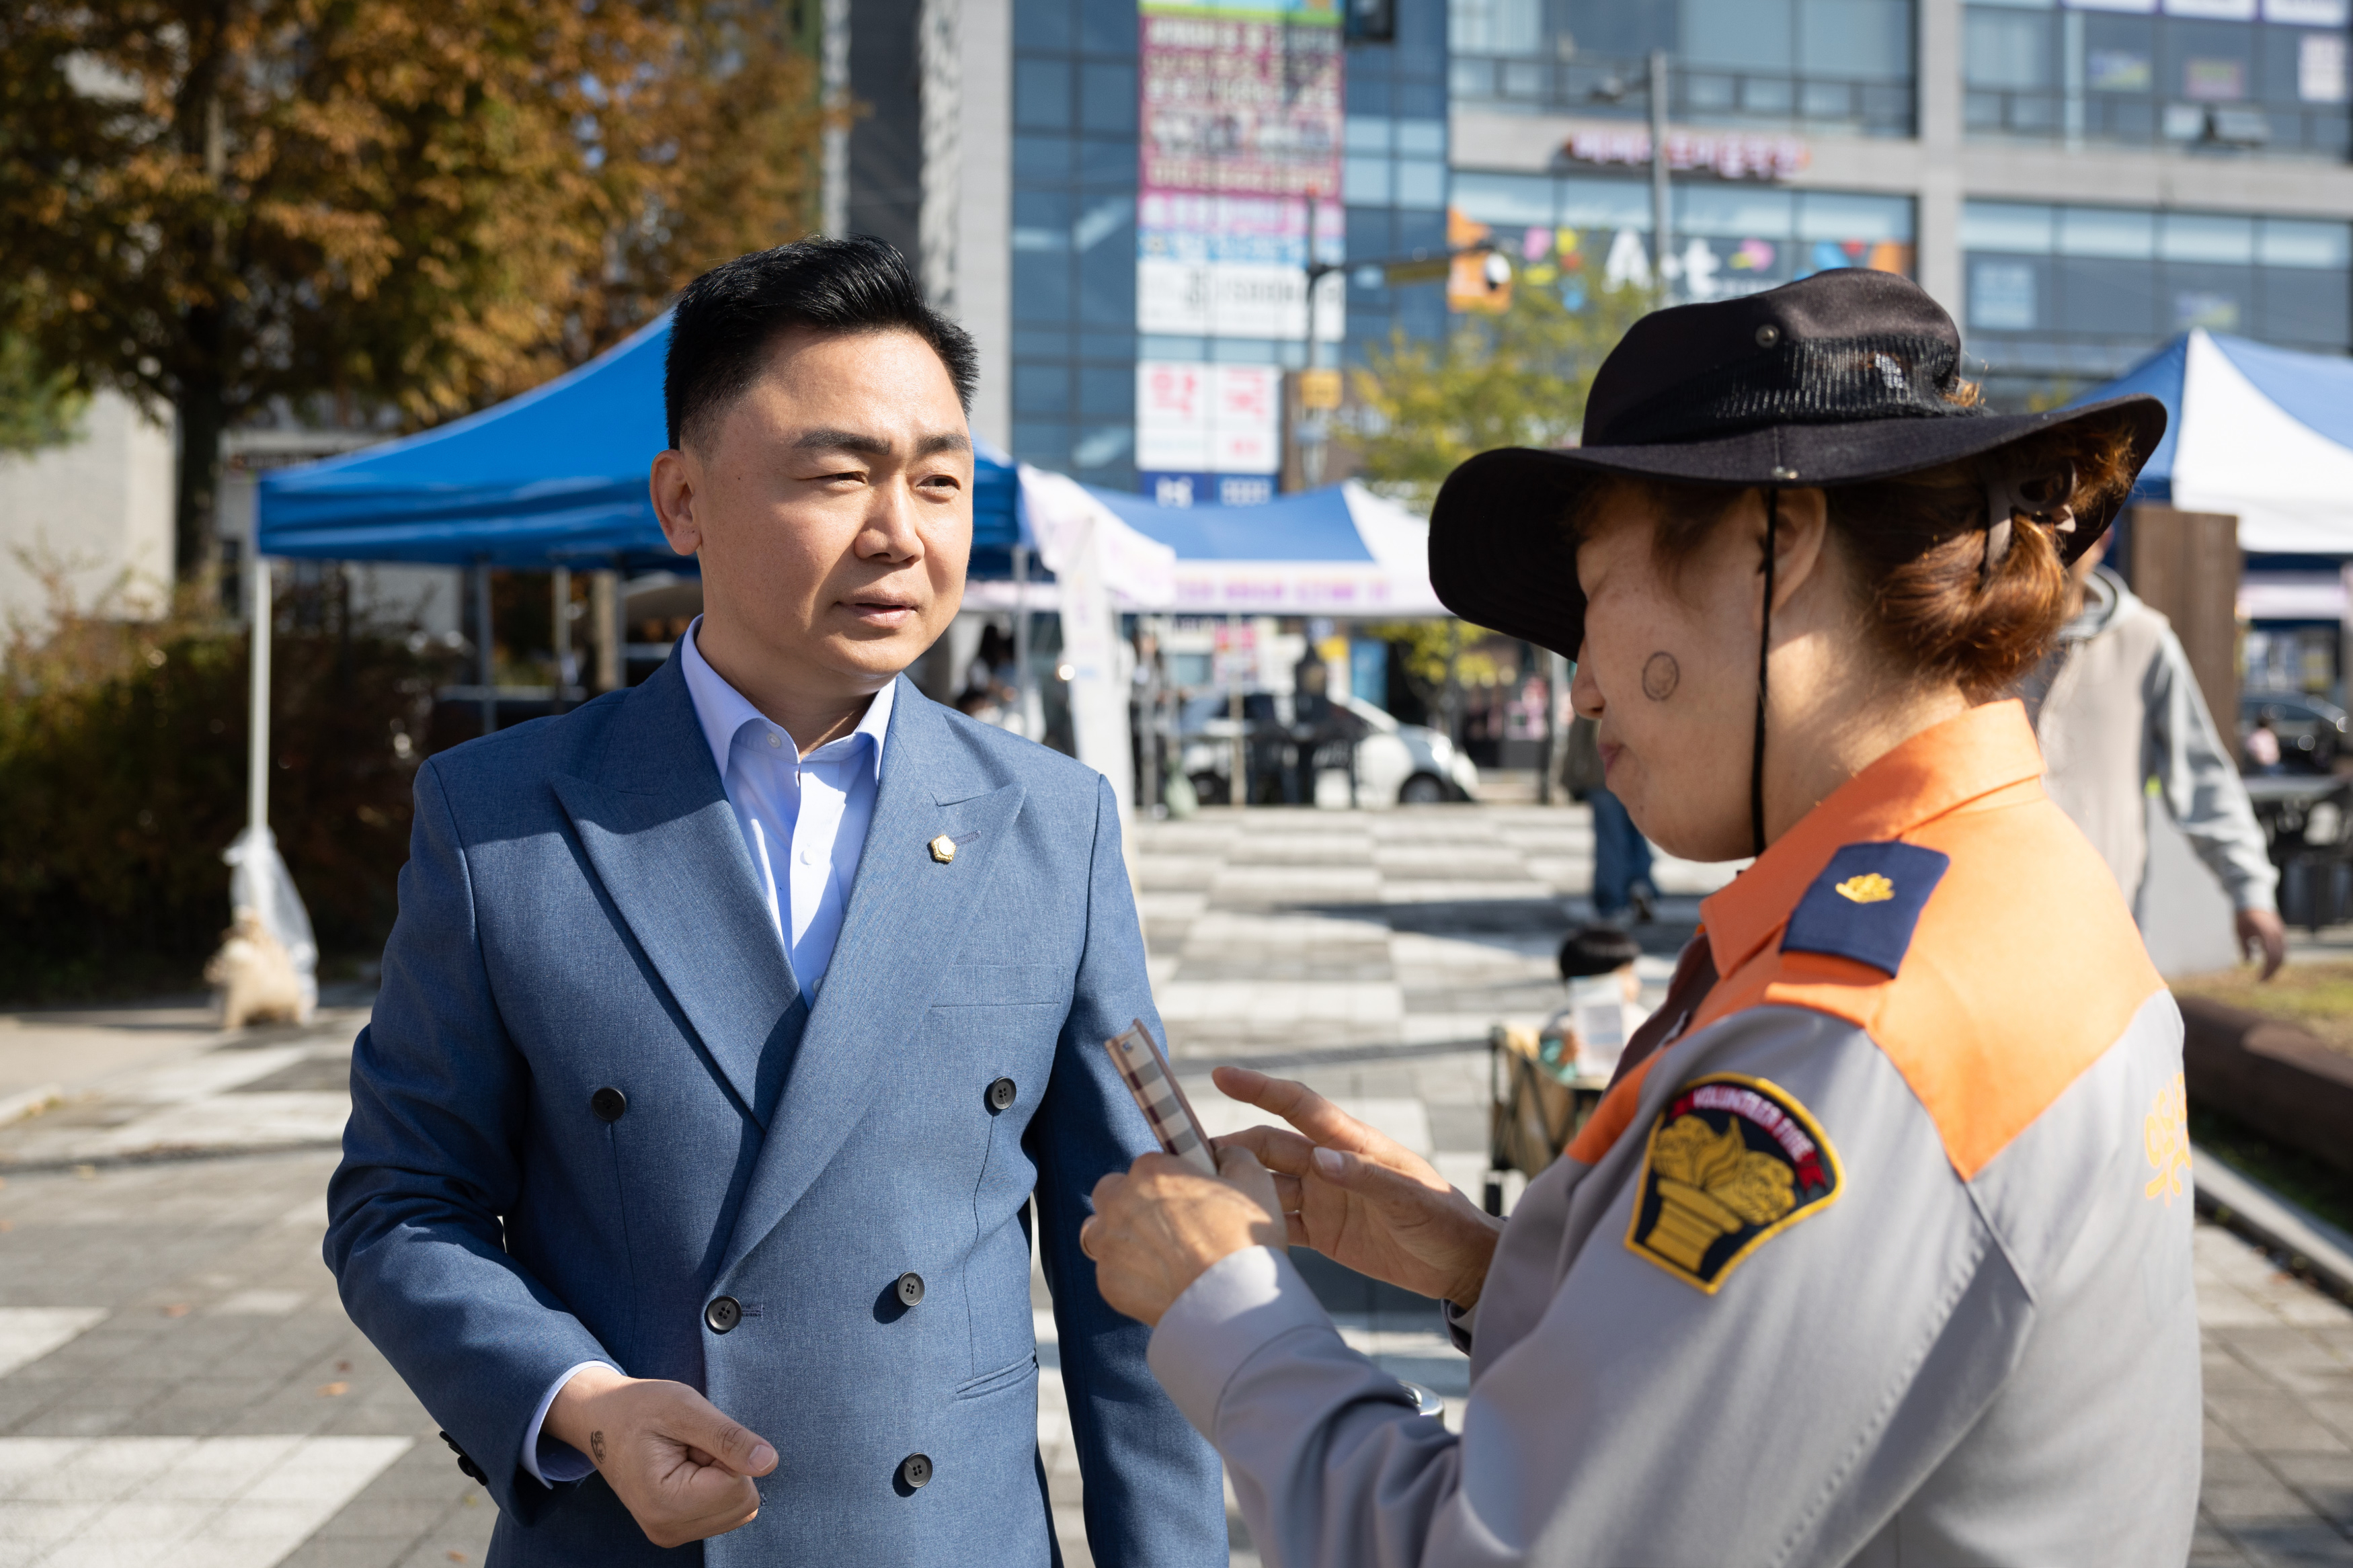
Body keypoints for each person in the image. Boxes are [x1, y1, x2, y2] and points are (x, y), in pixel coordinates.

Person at [1078, 270, 2200, 1565]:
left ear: (1777, 543)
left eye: (1598, 593)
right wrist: (1495, 1268)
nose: (1582, 688)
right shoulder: (2005, 879)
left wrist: (1226, 1307)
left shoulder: (1861, 1034)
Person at [323, 239, 1224, 1566]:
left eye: (938, 479)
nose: (900, 531)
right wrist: (581, 1402)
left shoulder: (1052, 822)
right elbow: (402, 1201)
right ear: (683, 499)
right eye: (838, 475)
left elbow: (1137, 1255)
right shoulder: (503, 817)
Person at [2022, 544, 2287, 975]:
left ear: (2104, 536)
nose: (2060, 532)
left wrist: (2250, 889)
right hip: (1987, 917)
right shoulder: (1973, 636)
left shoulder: (2143, 638)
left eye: (2075, 517)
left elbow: (2202, 775)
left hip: (2104, 925)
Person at [1560, 716, 1657, 923]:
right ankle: (1640, 883)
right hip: (1638, 771)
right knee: (1637, 831)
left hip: (1603, 773)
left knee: (1610, 840)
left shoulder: (1597, 694)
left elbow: (1579, 734)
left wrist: (1569, 778)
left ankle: (1612, 903)